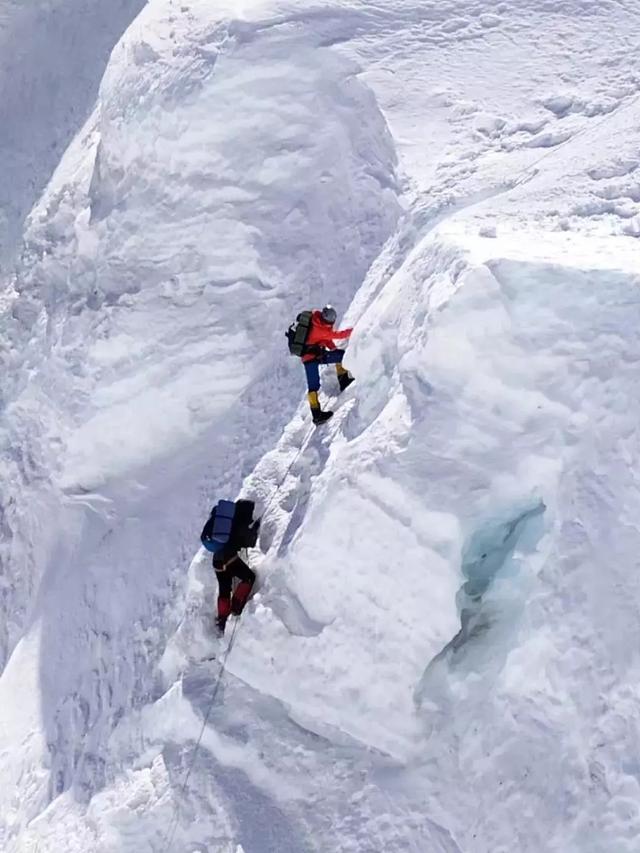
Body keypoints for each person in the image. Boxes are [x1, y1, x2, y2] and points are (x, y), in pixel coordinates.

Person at [201, 499, 260, 634]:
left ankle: (221, 621)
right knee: (249, 577)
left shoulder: (227, 521)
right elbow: (249, 542)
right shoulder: (239, 524)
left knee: (224, 589)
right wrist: (255, 528)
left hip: (217, 561)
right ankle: (236, 607)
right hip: (229, 559)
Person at [302, 305, 355, 424]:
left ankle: (317, 414)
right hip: (314, 357)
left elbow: (324, 339)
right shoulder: (320, 329)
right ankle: (343, 379)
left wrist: (333, 348)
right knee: (341, 356)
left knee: (313, 386)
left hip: (309, 357)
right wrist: (354, 330)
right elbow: (337, 335)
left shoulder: (315, 321)